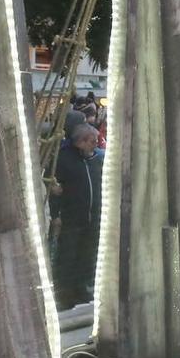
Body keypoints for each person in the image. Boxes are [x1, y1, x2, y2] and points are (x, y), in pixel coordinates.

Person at [52, 123, 103, 309]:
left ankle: (84, 291)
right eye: (91, 141)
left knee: (88, 256)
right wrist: (56, 213)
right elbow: (55, 189)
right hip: (71, 219)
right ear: (80, 142)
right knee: (68, 257)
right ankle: (64, 294)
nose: (95, 145)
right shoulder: (64, 161)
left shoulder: (96, 160)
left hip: (92, 219)